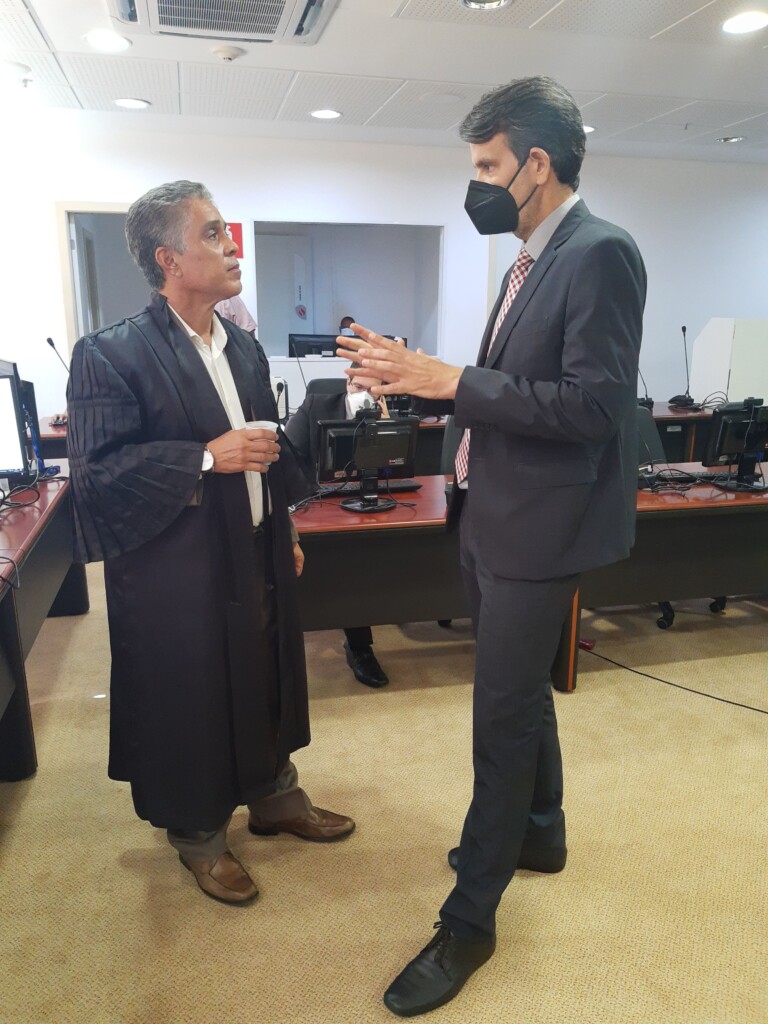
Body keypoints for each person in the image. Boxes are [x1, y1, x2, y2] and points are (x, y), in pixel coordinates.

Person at [337, 77, 646, 1016]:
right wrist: (416, 377)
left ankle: (470, 923)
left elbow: (594, 409)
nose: (475, 183)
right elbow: (513, 390)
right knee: (519, 696)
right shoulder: (528, 261)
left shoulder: (599, 253)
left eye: (486, 166)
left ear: (536, 165)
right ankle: (541, 831)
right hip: (490, 514)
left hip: (539, 531)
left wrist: (451, 378)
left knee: (499, 719)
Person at [67, 180, 354, 908]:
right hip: (175, 566)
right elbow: (97, 474)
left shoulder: (243, 347)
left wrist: (285, 524)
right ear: (168, 259)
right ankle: (198, 833)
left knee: (266, 669)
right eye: (213, 235)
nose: (232, 249)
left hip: (255, 545)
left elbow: (263, 446)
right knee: (190, 691)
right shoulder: (110, 354)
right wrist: (203, 457)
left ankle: (274, 795)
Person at [285, 368, 390, 688]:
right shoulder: (316, 405)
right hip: (316, 503)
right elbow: (288, 456)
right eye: (358, 387)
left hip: (363, 505)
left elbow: (394, 468)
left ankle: (360, 644)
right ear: (347, 384)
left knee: (361, 556)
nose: (363, 394)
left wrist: (386, 427)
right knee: (345, 559)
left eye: (372, 390)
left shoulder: (380, 413)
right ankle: (353, 644)